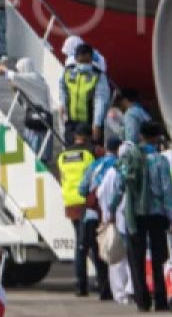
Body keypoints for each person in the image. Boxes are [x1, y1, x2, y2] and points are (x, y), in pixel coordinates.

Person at [113, 123, 172, 312]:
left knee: (136, 257)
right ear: (157, 137)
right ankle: (160, 298)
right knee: (160, 256)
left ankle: (142, 300)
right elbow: (168, 191)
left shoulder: (130, 157)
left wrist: (111, 209)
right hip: (157, 214)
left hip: (134, 214)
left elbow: (120, 185)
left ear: (141, 136)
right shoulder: (161, 161)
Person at [56, 126, 96, 297]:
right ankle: (83, 284)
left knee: (80, 242)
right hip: (85, 203)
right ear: (86, 137)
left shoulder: (62, 156)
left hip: (70, 203)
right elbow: (93, 178)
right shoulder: (88, 155)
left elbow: (62, 177)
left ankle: (82, 283)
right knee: (85, 244)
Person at [93, 137, 131, 304]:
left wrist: (107, 212)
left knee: (116, 257)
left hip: (113, 219)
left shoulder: (109, 171)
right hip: (124, 220)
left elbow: (99, 193)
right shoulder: (124, 171)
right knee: (127, 257)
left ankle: (120, 293)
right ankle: (128, 290)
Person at [78, 139, 113, 300]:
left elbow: (82, 188)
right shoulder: (118, 164)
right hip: (113, 216)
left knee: (98, 253)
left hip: (93, 216)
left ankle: (104, 288)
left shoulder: (93, 166)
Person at [1, 57, 54, 162]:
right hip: (40, 116)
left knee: (36, 149)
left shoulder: (32, 77)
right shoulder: (38, 78)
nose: (19, 72)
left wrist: (3, 68)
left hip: (37, 118)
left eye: (19, 69)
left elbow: (14, 77)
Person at [59, 42, 110, 147]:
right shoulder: (68, 72)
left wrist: (97, 124)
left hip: (90, 123)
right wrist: (62, 103)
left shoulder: (98, 76)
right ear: (76, 59)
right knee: (71, 151)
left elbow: (100, 101)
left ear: (91, 60)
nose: (83, 64)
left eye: (87, 61)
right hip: (71, 122)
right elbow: (62, 87)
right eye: (81, 61)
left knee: (91, 154)